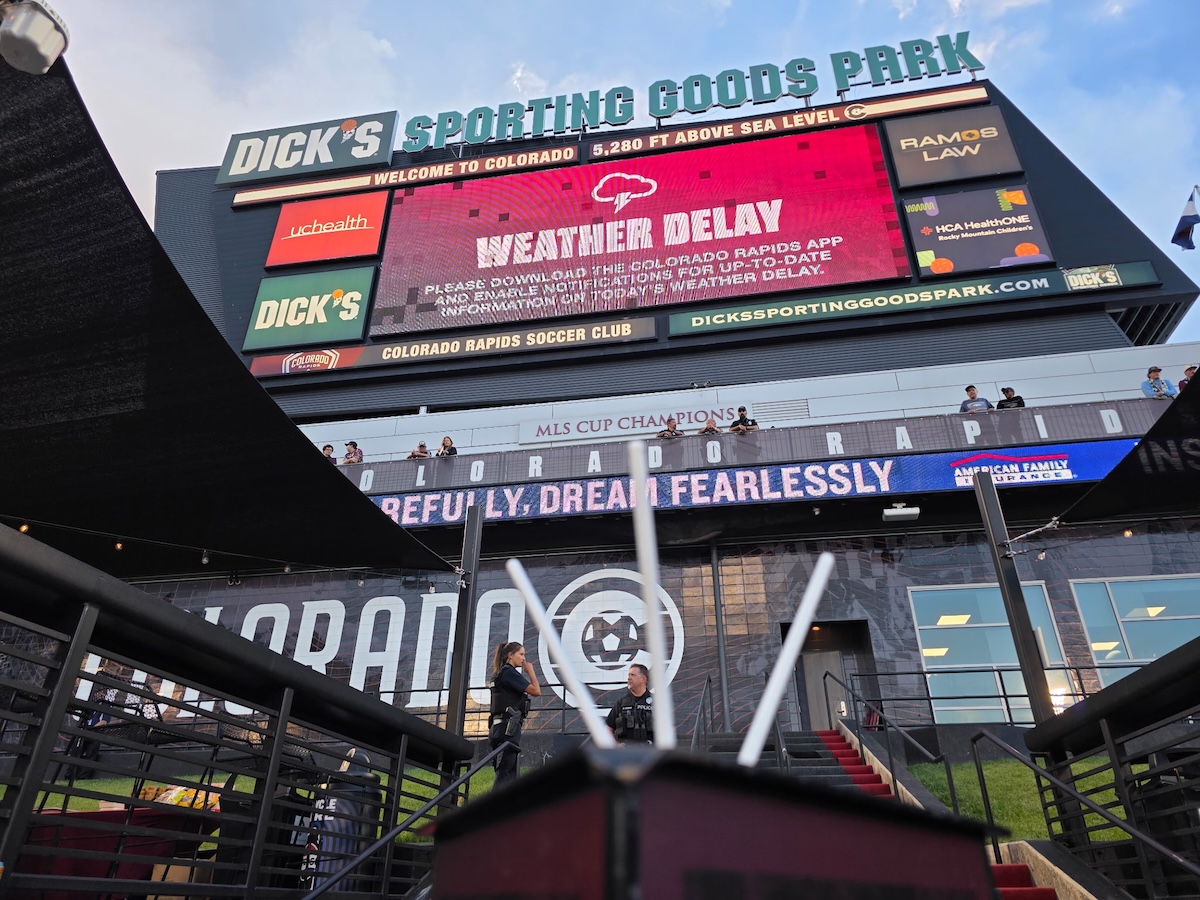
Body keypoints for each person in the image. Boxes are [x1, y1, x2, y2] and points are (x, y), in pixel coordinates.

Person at [488, 641, 541, 785]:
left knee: (509, 773)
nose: (524, 658)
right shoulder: (509, 673)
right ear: (510, 655)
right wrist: (530, 671)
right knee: (505, 773)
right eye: (521, 654)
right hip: (508, 728)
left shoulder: (500, 673)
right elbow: (536, 691)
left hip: (499, 727)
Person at [605, 664, 654, 745]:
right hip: (626, 753)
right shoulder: (622, 703)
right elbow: (608, 728)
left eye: (633, 675)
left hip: (650, 752)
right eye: (629, 675)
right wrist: (615, 745)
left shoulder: (656, 702)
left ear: (643, 679)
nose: (629, 678)